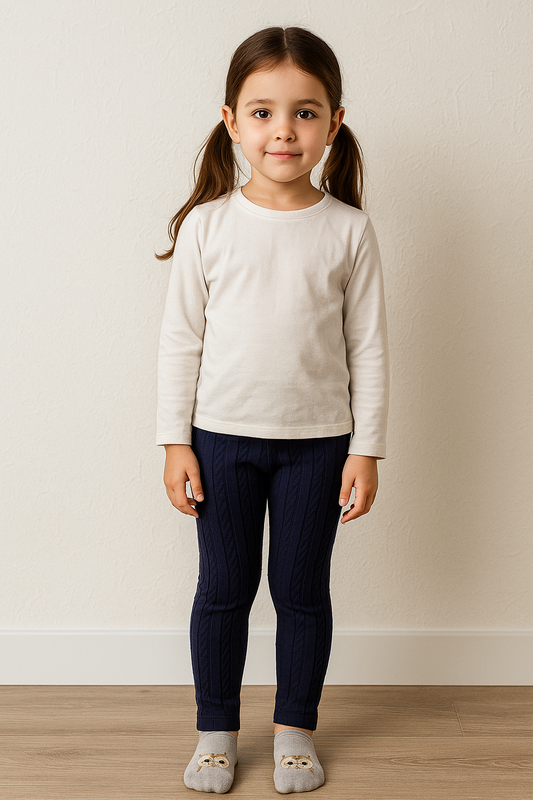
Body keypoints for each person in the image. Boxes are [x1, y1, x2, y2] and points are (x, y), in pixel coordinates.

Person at [155, 25, 390, 795]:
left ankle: (294, 732)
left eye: (304, 112)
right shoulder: (207, 226)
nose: (282, 130)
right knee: (223, 590)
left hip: (318, 446)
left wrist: (365, 450)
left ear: (333, 123)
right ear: (231, 121)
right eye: (261, 112)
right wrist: (174, 443)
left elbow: (368, 348)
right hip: (219, 443)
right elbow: (180, 342)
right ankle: (215, 734)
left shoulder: (348, 230)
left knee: (300, 592)